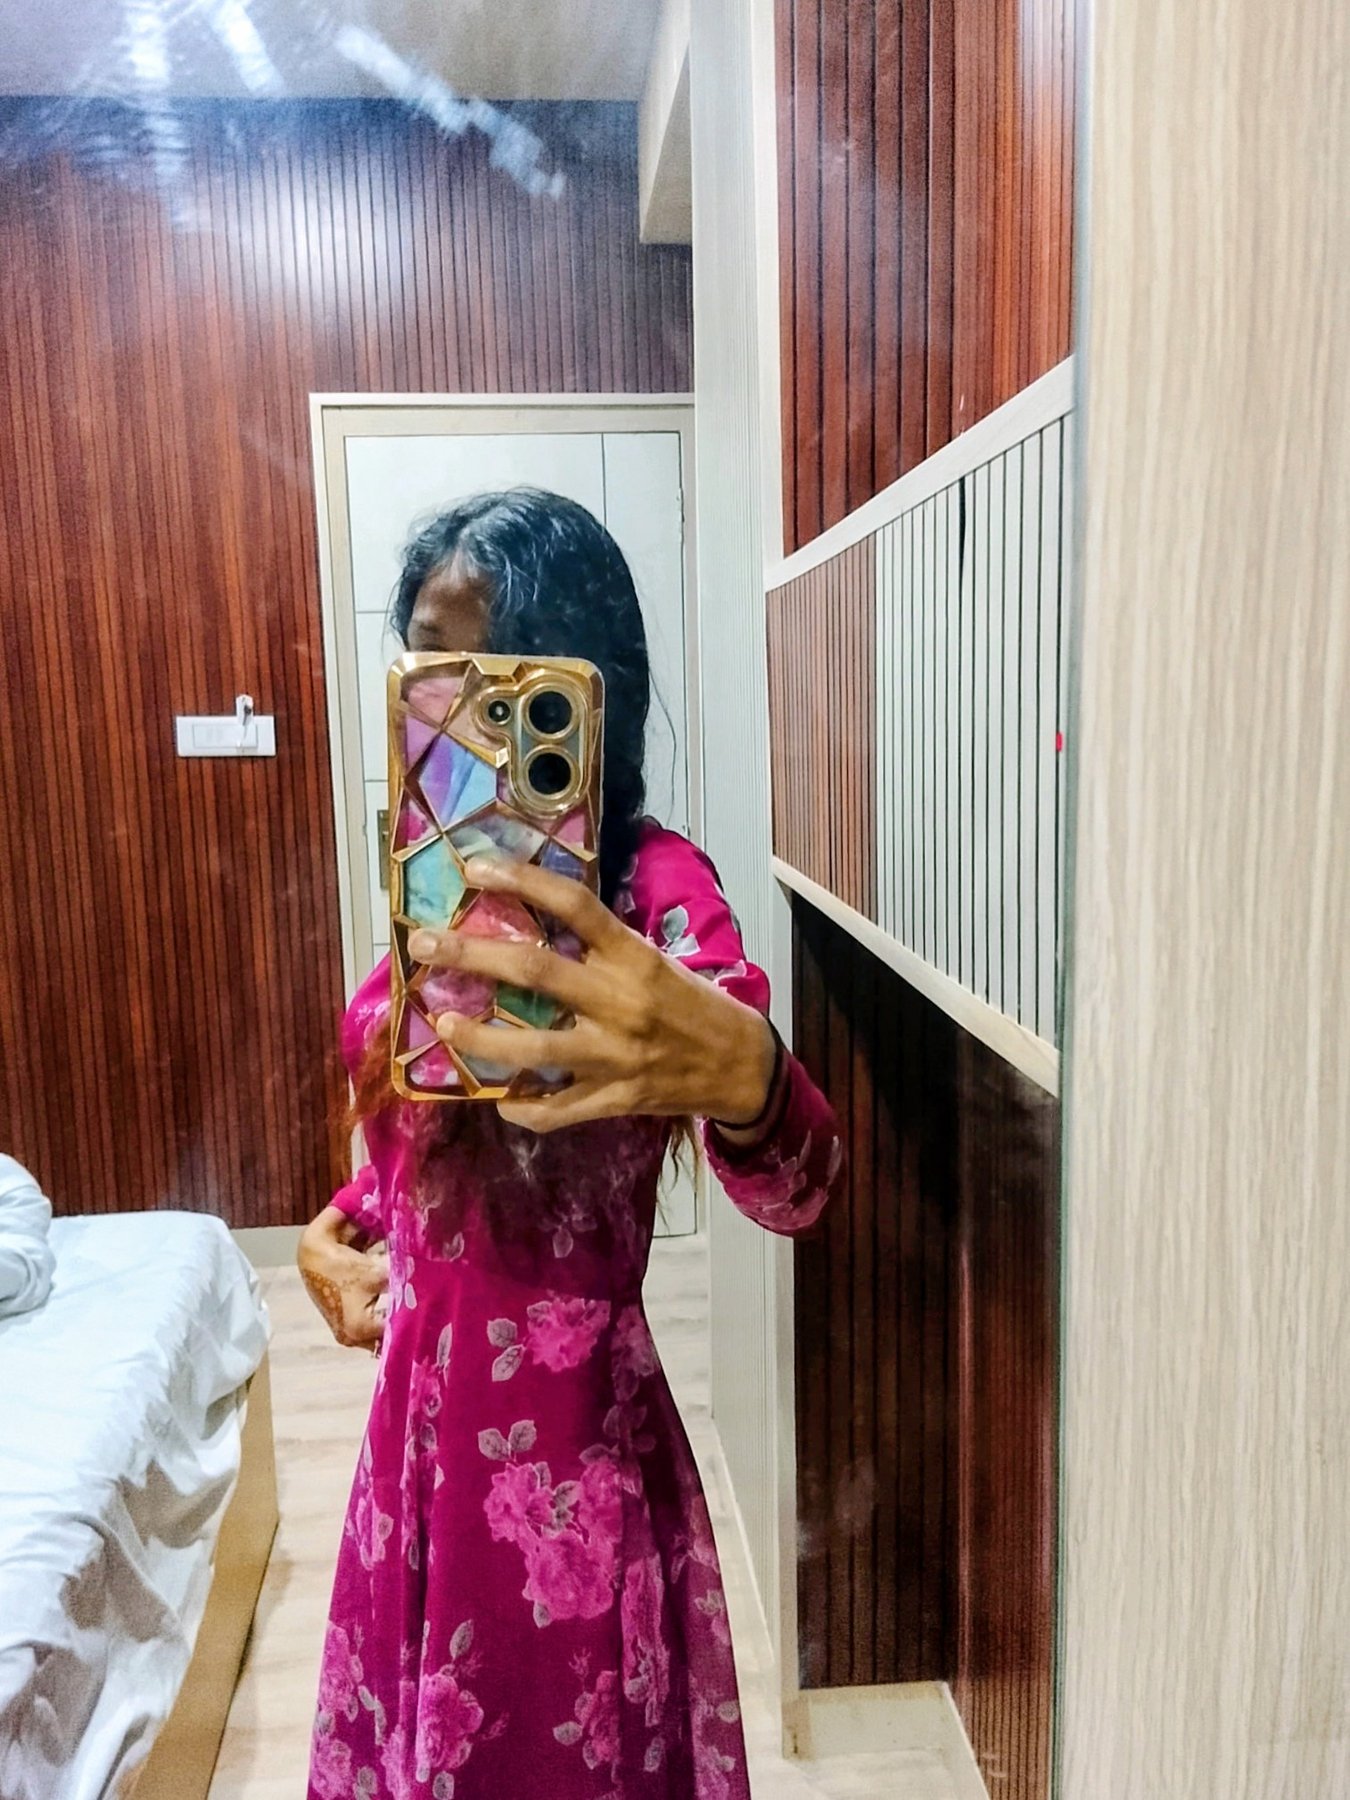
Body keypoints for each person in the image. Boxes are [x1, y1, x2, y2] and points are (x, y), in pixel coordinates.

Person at [299, 489, 843, 1800]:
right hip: (412, 1439)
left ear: (584, 679)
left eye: (499, 670)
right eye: (431, 667)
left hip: (568, 1466)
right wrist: (349, 1222)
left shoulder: (652, 893)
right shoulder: (434, 876)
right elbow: (431, 1128)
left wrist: (750, 1076)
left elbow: (797, 1189)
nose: (461, 707)